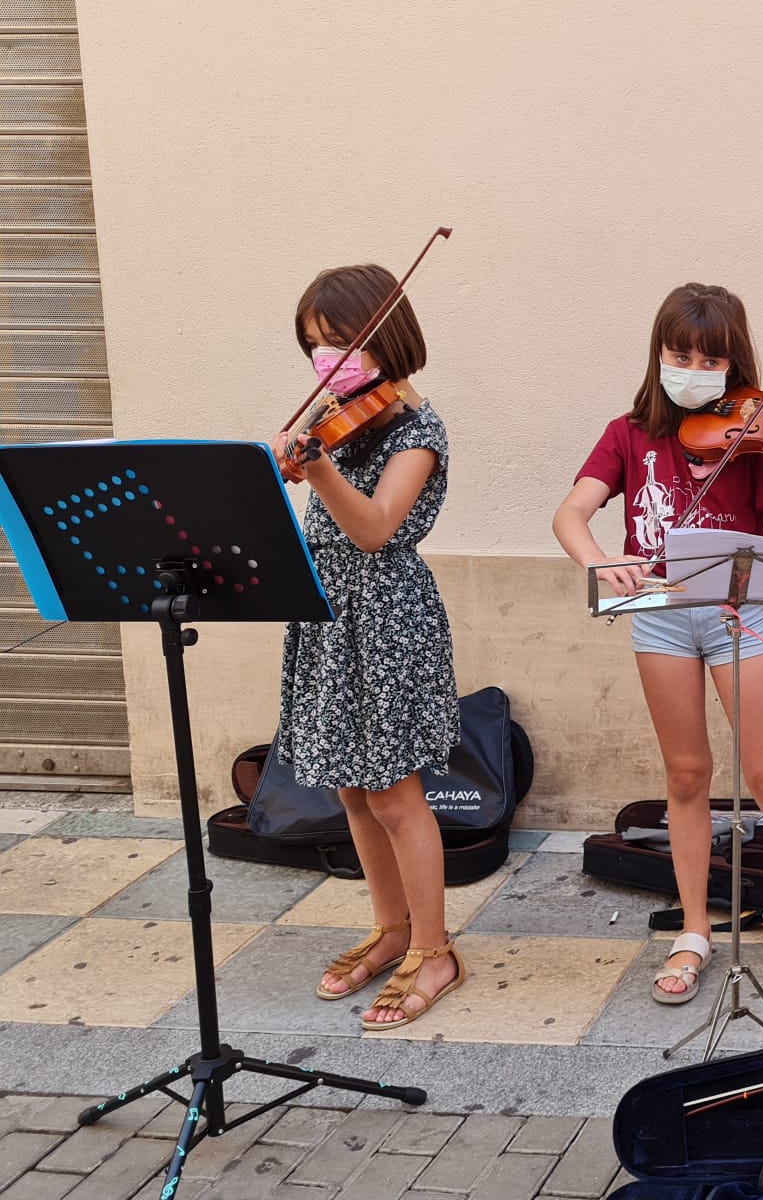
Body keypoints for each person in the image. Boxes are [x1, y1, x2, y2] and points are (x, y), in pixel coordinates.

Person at [552, 283, 763, 1016]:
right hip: (661, 618)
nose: (694, 367)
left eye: (710, 358)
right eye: (680, 355)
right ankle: (696, 930)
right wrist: (601, 562)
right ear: (659, 355)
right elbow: (570, 512)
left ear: (734, 365)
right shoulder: (628, 433)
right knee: (687, 775)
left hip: (740, 615)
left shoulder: (754, 438)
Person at [274, 264, 462, 1030]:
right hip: (325, 613)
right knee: (352, 788)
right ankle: (390, 929)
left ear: (386, 337)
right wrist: (294, 459)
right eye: (315, 345)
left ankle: (434, 949)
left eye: (341, 342)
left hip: (384, 620)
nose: (326, 360)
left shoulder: (419, 432)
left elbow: (377, 527)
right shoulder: (340, 415)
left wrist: (316, 467)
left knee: (394, 792)